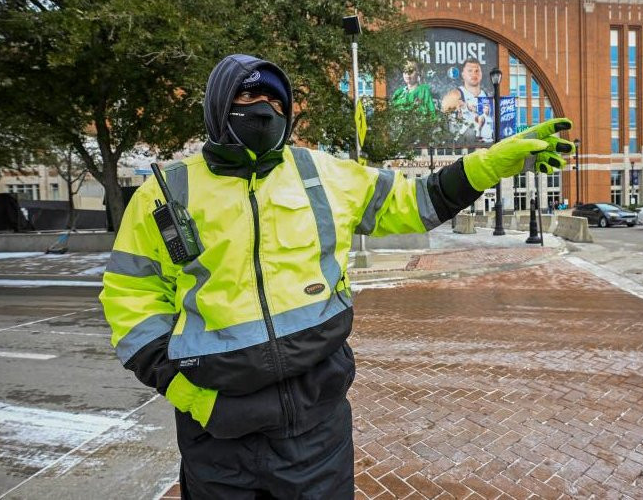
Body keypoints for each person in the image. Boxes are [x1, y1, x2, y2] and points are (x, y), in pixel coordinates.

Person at [99, 54, 574, 499]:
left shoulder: (321, 173)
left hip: (315, 429)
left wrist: (489, 164)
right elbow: (131, 295)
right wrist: (187, 392)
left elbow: (416, 202)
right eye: (247, 101)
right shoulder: (166, 191)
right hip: (216, 436)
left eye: (275, 102)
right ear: (218, 108)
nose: (264, 111)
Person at [440, 57, 488, 141]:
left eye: (477, 71)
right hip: (463, 143)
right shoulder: (456, 94)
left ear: (481, 74)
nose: (474, 74)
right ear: (463, 74)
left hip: (484, 143)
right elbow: (443, 110)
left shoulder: (485, 95)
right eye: (470, 71)